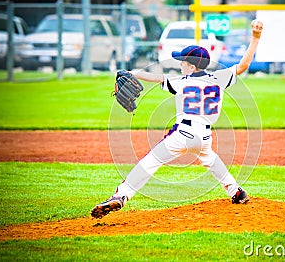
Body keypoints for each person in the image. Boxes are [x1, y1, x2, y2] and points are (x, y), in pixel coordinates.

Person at [91, 19, 264, 219]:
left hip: (183, 133)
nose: (180, 65)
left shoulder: (182, 82)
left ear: (191, 67)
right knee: (209, 158)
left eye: (183, 62)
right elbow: (243, 65)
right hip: (205, 136)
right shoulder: (220, 78)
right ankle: (236, 191)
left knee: (149, 163)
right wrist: (255, 38)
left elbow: (158, 78)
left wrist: (132, 73)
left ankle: (121, 196)